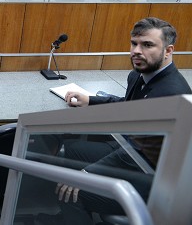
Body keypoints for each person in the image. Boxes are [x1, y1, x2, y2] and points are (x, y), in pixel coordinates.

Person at [48, 17, 191, 224]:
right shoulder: (139, 74)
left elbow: (135, 154)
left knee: (69, 193)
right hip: (129, 150)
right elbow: (129, 105)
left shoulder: (171, 93)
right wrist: (91, 100)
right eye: (134, 43)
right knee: (70, 150)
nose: (136, 51)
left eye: (147, 45)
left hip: (150, 178)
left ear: (168, 51)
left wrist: (87, 173)